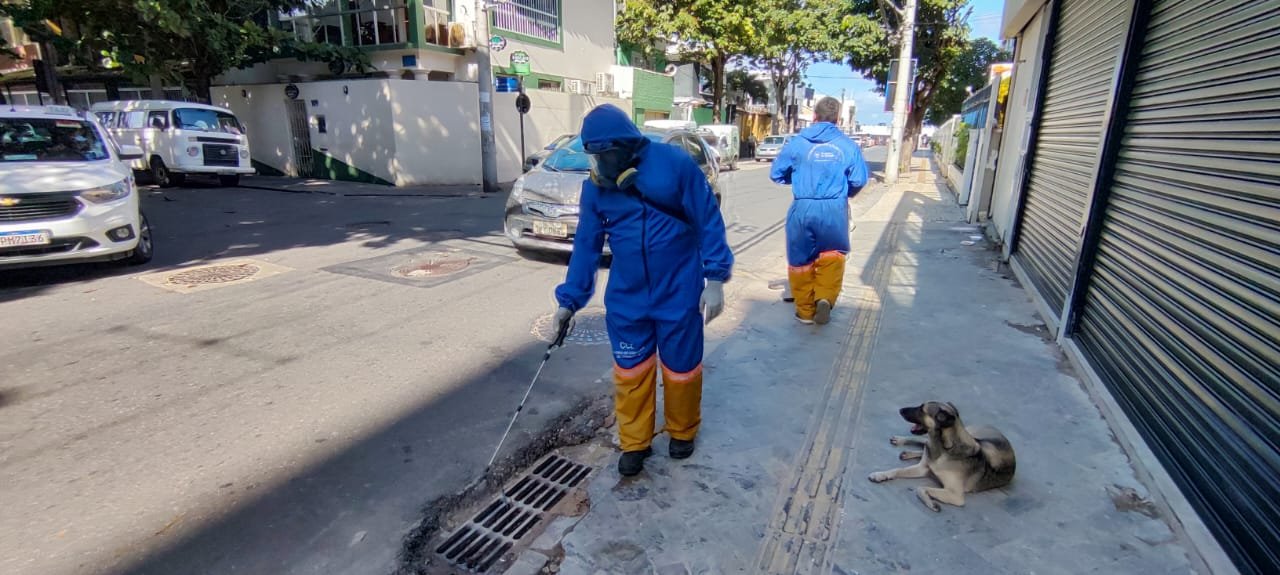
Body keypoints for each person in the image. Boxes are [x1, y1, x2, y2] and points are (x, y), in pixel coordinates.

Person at [553, 104, 734, 477]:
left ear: (627, 146)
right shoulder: (596, 188)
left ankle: (682, 431)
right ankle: (635, 441)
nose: (603, 163)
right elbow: (586, 247)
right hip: (627, 297)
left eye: (608, 154)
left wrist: (714, 278)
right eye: (596, 155)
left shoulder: (675, 164)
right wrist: (568, 302)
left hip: (679, 289)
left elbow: (708, 220)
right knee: (631, 370)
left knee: (681, 367)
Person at [769, 97, 869, 325]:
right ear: (838, 119)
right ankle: (824, 297)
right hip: (834, 208)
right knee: (832, 255)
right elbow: (859, 178)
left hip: (803, 206)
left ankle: (805, 311)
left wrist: (797, 179)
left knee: (800, 259)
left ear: (814, 116)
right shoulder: (848, 145)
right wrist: (846, 194)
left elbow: (776, 174)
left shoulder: (796, 143)